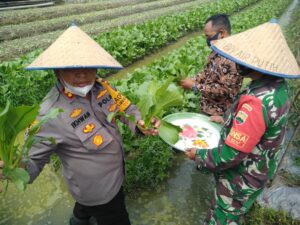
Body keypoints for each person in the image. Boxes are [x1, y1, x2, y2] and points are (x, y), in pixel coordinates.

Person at [0, 25, 159, 225]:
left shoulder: (102, 87)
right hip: (102, 194)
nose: (82, 74)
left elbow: (127, 109)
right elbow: (31, 165)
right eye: (71, 67)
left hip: (113, 178)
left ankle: (78, 220)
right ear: (57, 71)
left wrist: (140, 122)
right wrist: (12, 167)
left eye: (88, 66)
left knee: (84, 208)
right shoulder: (47, 115)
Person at [185, 20, 300, 225]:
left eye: (242, 57)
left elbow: (231, 154)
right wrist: (225, 119)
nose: (237, 60)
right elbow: (259, 128)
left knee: (223, 217)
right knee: (236, 212)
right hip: (260, 168)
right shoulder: (278, 88)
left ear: (256, 62)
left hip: (241, 177)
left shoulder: (256, 102)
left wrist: (199, 155)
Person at [180, 14, 243, 117]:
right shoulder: (216, 50)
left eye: (209, 36)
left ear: (222, 33)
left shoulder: (233, 58)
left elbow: (225, 91)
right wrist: (193, 80)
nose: (208, 40)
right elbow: (206, 72)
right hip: (206, 108)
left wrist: (195, 86)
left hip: (220, 114)